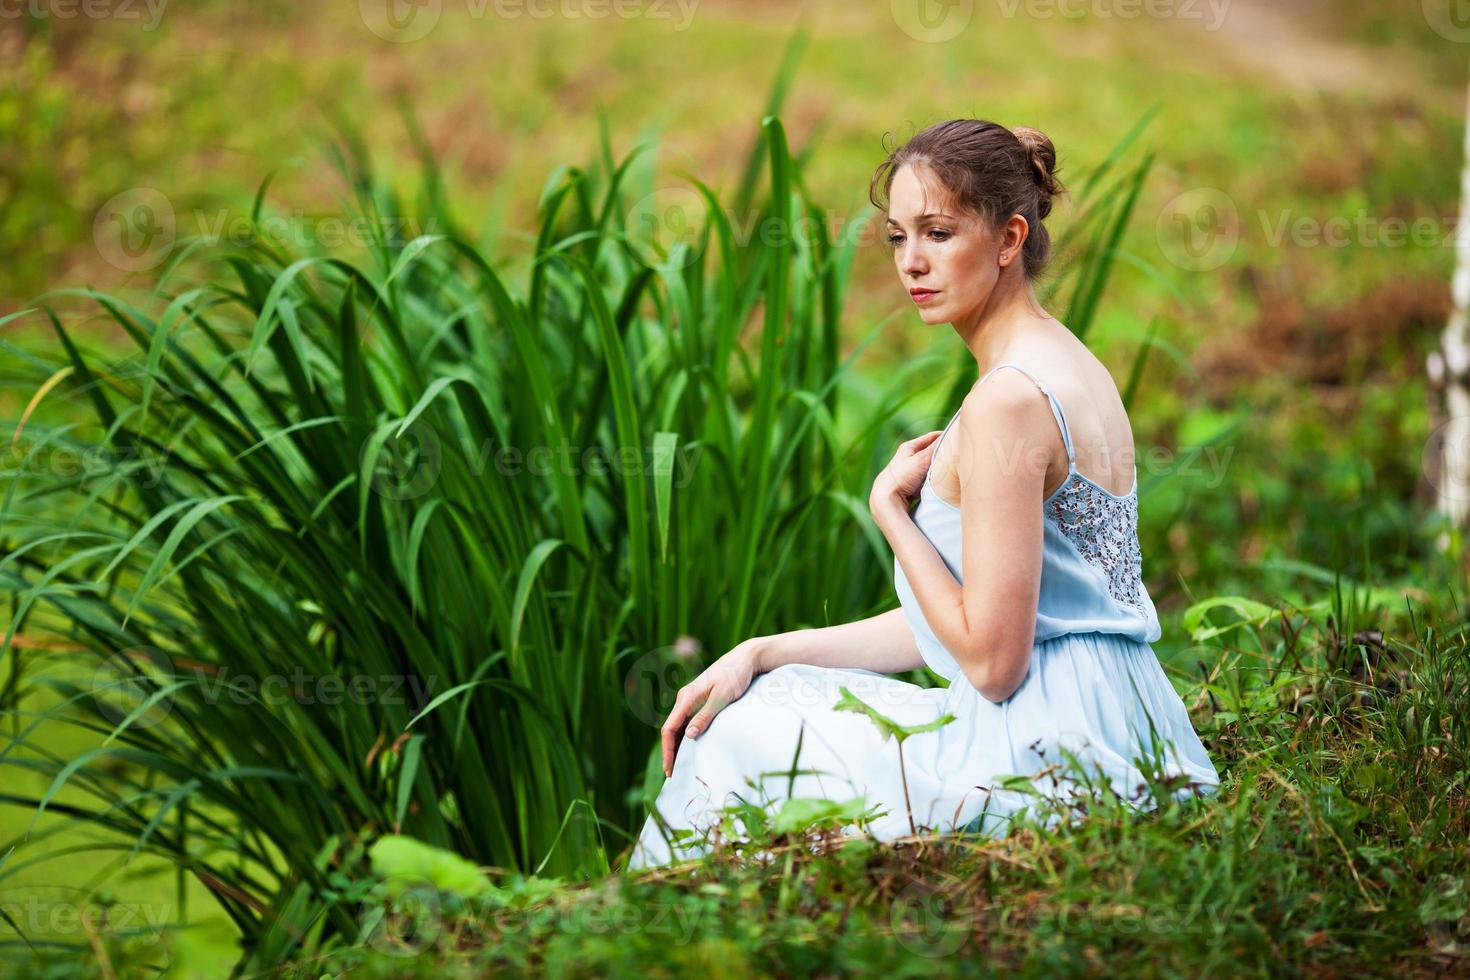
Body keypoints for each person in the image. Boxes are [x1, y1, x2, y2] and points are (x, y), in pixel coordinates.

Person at [625, 119, 1219, 871]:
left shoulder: (1007, 399)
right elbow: (978, 618)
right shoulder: (1069, 359)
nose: (912, 263)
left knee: (742, 732)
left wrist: (890, 514)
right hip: (1122, 716)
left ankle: (665, 937)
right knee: (770, 691)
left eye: (938, 233)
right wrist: (762, 650)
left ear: (1009, 239)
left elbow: (992, 660)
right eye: (897, 237)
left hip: (1043, 747)